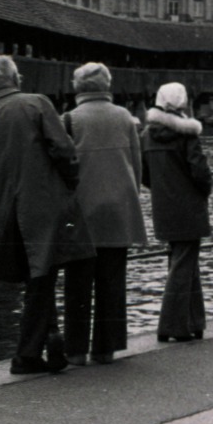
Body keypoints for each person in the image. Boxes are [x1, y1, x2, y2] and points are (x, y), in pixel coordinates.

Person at [0, 54, 91, 374]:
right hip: (44, 203)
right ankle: (29, 353)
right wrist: (70, 184)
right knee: (44, 274)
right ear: (15, 78)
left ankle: (47, 341)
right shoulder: (36, 104)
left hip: (7, 212)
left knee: (37, 276)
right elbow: (64, 151)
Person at [61, 62, 147, 365]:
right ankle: (105, 348)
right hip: (117, 211)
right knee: (112, 284)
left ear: (78, 87)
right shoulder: (125, 117)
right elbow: (136, 166)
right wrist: (129, 196)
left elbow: (62, 170)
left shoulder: (69, 120)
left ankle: (75, 351)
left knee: (77, 285)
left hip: (82, 214)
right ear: (107, 85)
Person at [139, 82, 212, 344]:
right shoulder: (187, 135)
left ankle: (194, 322)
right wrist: (204, 190)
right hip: (189, 207)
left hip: (164, 207)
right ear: (183, 103)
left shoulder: (146, 135)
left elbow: (143, 173)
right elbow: (200, 172)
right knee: (184, 264)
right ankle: (171, 325)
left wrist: (161, 189)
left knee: (183, 261)